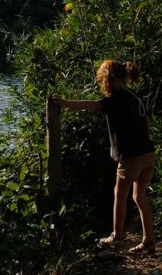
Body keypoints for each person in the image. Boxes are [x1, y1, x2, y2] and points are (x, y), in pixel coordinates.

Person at [51, 60, 156, 253]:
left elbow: (90, 105)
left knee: (119, 194)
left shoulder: (115, 99)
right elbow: (148, 122)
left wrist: (64, 103)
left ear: (109, 79)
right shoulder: (135, 97)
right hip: (148, 155)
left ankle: (116, 235)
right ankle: (148, 240)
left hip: (130, 158)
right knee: (139, 196)